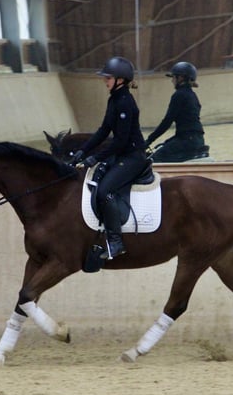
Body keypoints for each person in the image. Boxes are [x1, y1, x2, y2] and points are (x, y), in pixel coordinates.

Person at [71, 56, 147, 260]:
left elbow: (120, 142)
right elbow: (104, 130)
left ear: (120, 80)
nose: (105, 81)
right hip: (123, 154)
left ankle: (116, 242)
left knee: (105, 191)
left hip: (133, 157)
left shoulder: (125, 102)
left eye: (108, 78)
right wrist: (83, 151)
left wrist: (94, 158)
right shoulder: (114, 99)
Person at [145, 61, 207, 162]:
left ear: (181, 78)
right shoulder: (192, 95)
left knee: (153, 159)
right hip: (196, 139)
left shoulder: (179, 95)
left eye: (174, 77)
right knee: (162, 146)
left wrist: (149, 140)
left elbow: (167, 121)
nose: (172, 80)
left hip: (186, 141)